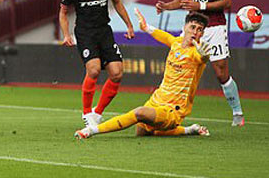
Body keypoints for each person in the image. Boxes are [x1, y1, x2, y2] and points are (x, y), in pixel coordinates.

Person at [75, 9, 211, 139]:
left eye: (200, 30)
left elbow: (201, 59)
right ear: (185, 27)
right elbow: (163, 36)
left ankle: (92, 130)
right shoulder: (176, 43)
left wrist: (204, 56)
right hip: (156, 100)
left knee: (139, 112)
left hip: (173, 110)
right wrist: (145, 27)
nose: (195, 32)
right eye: (193, 27)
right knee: (142, 132)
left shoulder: (196, 53)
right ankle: (189, 130)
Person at [155, 0, 244, 126]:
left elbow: (227, 2)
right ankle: (171, 109)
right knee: (181, 68)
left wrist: (200, 6)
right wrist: (166, 6)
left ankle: (237, 113)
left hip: (215, 27)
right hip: (194, 28)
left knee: (220, 72)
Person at [59, 0, 135, 130]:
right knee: (93, 70)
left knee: (117, 73)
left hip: (104, 31)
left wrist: (129, 24)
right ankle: (86, 113)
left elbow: (117, 1)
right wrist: (66, 34)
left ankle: (98, 112)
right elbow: (63, 12)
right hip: (85, 33)